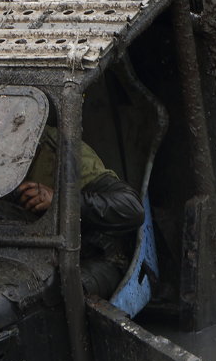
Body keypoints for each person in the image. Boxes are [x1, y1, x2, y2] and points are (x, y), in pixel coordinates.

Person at [15, 126, 145, 298]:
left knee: (60, 294)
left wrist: (59, 200)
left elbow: (131, 208)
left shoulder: (59, 147)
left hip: (91, 254)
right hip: (22, 256)